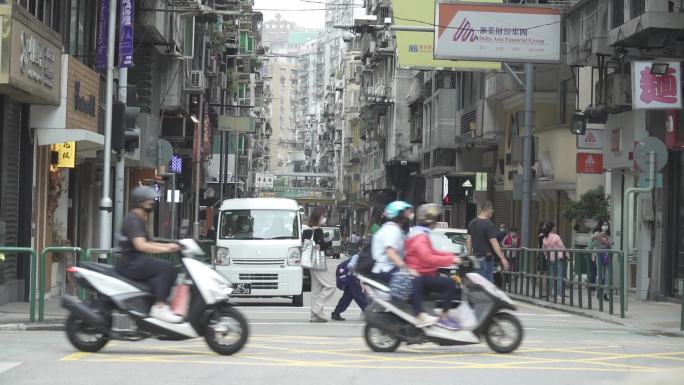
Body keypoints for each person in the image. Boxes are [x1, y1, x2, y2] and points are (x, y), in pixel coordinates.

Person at [115, 186, 183, 323]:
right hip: (130, 262)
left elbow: (150, 242)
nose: (152, 203)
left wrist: (170, 246)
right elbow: (141, 245)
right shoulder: (133, 219)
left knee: (168, 269)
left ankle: (154, 303)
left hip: (135, 260)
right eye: (149, 201)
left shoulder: (139, 218)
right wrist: (167, 249)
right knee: (165, 268)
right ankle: (160, 306)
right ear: (140, 202)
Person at [405, 204, 462, 329]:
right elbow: (428, 258)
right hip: (421, 275)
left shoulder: (420, 234)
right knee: (449, 284)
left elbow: (433, 252)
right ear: (431, 222)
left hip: (423, 274)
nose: (435, 224)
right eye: (435, 220)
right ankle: (444, 318)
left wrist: (452, 255)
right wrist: (451, 259)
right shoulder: (420, 237)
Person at [302, 207, 335, 323]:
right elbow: (322, 245)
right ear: (318, 218)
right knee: (330, 286)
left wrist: (321, 244)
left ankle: (314, 316)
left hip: (310, 261)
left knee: (316, 289)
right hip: (318, 261)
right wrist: (330, 242)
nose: (324, 218)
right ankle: (317, 308)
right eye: (323, 216)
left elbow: (307, 244)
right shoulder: (318, 231)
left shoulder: (306, 230)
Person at [370, 201, 414, 283]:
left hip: (386, 270)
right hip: (386, 271)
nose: (410, 214)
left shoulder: (393, 228)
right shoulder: (392, 230)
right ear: (399, 213)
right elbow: (391, 253)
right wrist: (407, 269)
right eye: (407, 211)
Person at [466, 201, 510, 282]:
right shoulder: (488, 224)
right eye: (492, 211)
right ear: (489, 210)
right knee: (486, 285)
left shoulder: (472, 222)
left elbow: (469, 239)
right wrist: (502, 258)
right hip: (486, 259)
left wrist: (469, 253)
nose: (492, 213)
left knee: (477, 284)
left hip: (475, 259)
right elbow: (494, 242)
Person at [331, 256, 368, 321]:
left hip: (351, 277)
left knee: (347, 297)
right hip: (352, 277)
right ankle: (369, 313)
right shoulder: (358, 256)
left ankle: (336, 313)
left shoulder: (361, 255)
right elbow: (350, 266)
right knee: (359, 296)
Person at [542, 222, 567, 300]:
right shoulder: (556, 237)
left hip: (549, 259)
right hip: (558, 259)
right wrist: (567, 255)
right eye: (555, 227)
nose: (556, 228)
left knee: (551, 276)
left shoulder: (545, 238)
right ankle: (559, 294)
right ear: (553, 228)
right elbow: (562, 247)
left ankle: (550, 293)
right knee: (559, 276)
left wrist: (547, 255)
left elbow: (544, 250)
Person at [589, 220, 612, 301]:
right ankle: (599, 291)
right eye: (604, 224)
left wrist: (608, 241)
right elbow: (592, 238)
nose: (605, 226)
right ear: (600, 225)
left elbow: (610, 244)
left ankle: (605, 293)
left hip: (607, 255)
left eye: (606, 224)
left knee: (607, 275)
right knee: (600, 275)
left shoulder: (609, 234)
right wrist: (601, 234)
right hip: (599, 255)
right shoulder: (597, 233)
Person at [537, 221, 550, 296]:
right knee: (544, 274)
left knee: (541, 273)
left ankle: (542, 291)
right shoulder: (544, 236)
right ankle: (544, 291)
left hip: (542, 255)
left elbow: (539, 246)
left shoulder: (541, 235)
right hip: (544, 255)